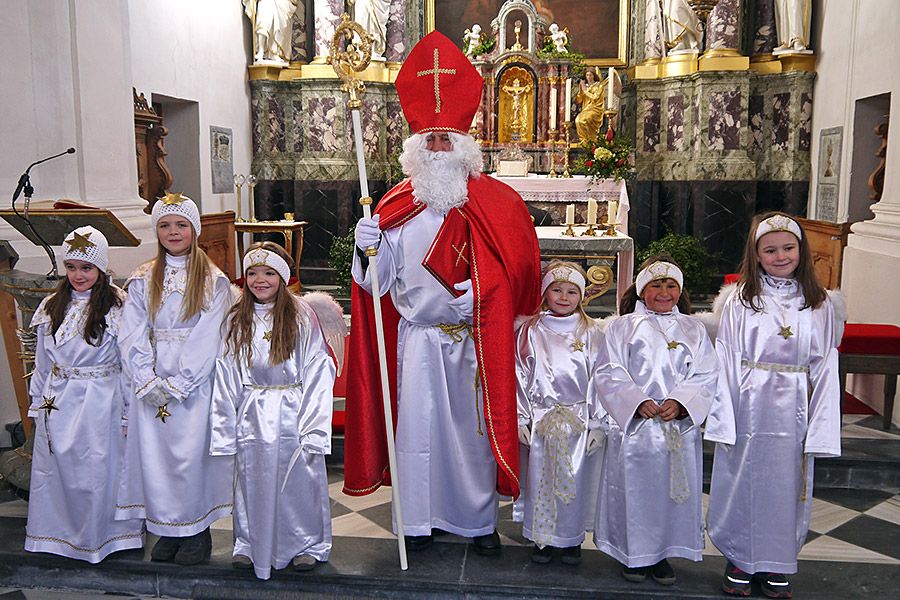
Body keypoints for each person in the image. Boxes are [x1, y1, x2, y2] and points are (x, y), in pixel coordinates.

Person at [344, 31, 542, 556]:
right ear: (415, 148)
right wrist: (368, 250)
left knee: (470, 437)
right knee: (419, 435)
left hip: (473, 341)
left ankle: (478, 525)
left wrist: (480, 295)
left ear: (464, 147)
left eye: (445, 139)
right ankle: (419, 522)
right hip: (419, 341)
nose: (436, 147)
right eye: (428, 139)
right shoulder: (392, 205)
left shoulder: (495, 202)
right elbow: (378, 286)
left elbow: (514, 271)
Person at [705, 212, 842, 599]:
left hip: (796, 406)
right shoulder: (742, 301)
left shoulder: (818, 304)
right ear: (756, 255)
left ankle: (776, 561)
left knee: (787, 486)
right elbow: (728, 356)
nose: (780, 256)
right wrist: (723, 417)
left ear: (802, 251)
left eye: (788, 248)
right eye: (770, 250)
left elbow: (825, 364)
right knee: (744, 481)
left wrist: (821, 422)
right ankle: (741, 559)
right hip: (750, 402)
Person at [211, 242, 343, 579]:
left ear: (282, 277)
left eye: (269, 273)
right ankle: (249, 543)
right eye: (253, 273)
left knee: (298, 481)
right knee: (251, 482)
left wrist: (313, 426)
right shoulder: (236, 319)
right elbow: (226, 372)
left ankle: (306, 544)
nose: (260, 280)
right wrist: (226, 428)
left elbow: (317, 366)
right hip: (252, 411)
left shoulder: (300, 315)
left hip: (292, 410)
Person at [116, 193, 234, 566]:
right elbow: (131, 331)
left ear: (194, 230)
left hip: (194, 383)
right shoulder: (142, 277)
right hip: (149, 380)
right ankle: (166, 530)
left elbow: (211, 334)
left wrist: (181, 381)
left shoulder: (213, 280)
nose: (173, 232)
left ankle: (196, 533)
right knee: (156, 459)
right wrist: (146, 378)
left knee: (189, 458)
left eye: (181, 224)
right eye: (165, 225)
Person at [592, 256, 717, 586]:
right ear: (641, 290)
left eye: (671, 285)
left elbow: (706, 373)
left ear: (681, 290)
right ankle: (634, 554)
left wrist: (680, 402)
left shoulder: (694, 329)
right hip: (638, 429)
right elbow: (609, 370)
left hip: (675, 427)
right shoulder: (622, 326)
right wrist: (636, 401)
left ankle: (662, 554)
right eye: (656, 285)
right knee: (636, 493)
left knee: (670, 494)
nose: (664, 292)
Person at [25, 226, 143, 563]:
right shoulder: (52, 305)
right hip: (59, 399)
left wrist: (125, 411)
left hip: (100, 399)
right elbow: (44, 360)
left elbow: (128, 364)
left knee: (98, 471)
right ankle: (59, 535)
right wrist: (38, 403)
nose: (78, 275)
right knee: (61, 472)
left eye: (87, 268)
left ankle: (105, 537)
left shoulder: (118, 305)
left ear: (102, 269)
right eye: (72, 267)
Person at [516, 262, 606, 566]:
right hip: (541, 417)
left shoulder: (592, 331)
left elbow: (600, 377)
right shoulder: (531, 329)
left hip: (578, 417)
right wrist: (520, 416)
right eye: (557, 290)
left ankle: (570, 539)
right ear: (545, 293)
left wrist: (597, 422)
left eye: (571, 291)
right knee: (541, 480)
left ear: (581, 296)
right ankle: (541, 537)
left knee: (575, 480)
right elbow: (519, 372)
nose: (564, 297)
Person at [574, 67, 606, 146]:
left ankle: (592, 140)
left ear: (594, 76)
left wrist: (585, 90)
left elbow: (595, 98)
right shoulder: (585, 86)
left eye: (590, 75)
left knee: (584, 120)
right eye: (587, 75)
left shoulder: (599, 86)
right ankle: (584, 140)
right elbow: (579, 101)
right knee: (578, 120)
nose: (589, 77)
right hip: (585, 109)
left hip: (595, 109)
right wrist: (581, 91)